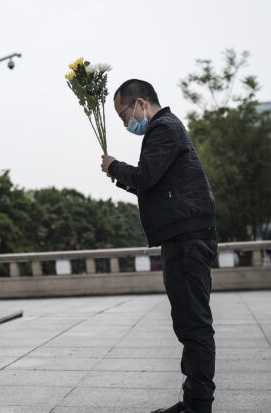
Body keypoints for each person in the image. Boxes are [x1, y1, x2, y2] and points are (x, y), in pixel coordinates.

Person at [100, 79, 218, 413]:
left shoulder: (164, 128)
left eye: (125, 116)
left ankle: (198, 406)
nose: (126, 124)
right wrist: (120, 175)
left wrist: (114, 166)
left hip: (188, 238)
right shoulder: (166, 129)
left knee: (194, 324)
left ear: (140, 103)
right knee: (188, 323)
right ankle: (193, 400)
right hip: (183, 236)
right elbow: (153, 184)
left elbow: (147, 175)